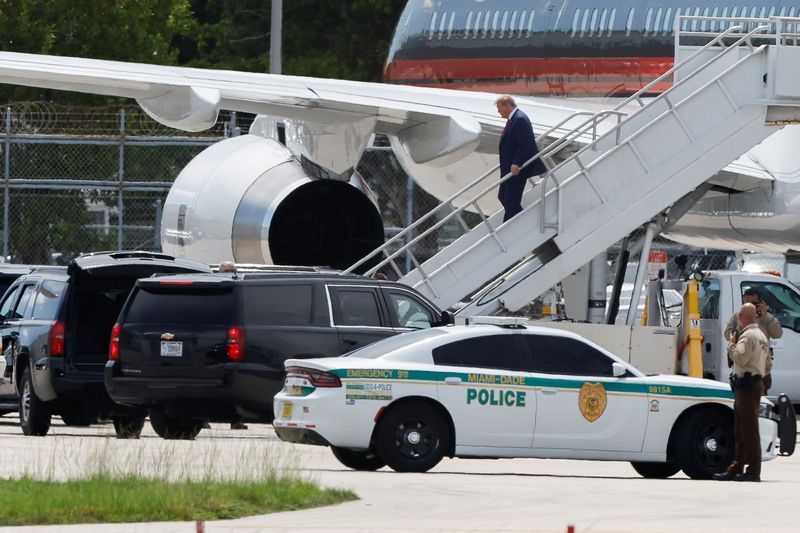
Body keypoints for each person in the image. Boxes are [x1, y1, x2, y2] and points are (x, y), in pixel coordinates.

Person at [715, 303, 769, 482]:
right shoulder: (761, 335)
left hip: (746, 385)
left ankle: (752, 470)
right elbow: (768, 364)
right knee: (742, 428)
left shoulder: (746, 336)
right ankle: (737, 467)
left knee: (747, 429)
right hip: (754, 383)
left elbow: (739, 357)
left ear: (741, 316)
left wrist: (731, 343)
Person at [495, 95, 548, 222]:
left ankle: (509, 228)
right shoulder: (514, 119)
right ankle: (523, 220)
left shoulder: (520, 120)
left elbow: (524, 144)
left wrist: (516, 162)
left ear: (507, 105)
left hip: (517, 169)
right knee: (502, 196)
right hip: (508, 168)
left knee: (510, 199)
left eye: (499, 108)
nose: (498, 112)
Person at [724, 288, 782, 393]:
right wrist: (740, 328)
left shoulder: (767, 318)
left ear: (761, 303)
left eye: (754, 303)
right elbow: (728, 334)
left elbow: (777, 334)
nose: (751, 305)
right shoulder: (738, 317)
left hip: (761, 367)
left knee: (761, 401)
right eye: (747, 302)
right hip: (742, 367)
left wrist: (766, 316)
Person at [217, 261, 248, 429]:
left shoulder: (238, 290)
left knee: (235, 382)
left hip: (233, 342)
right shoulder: (215, 290)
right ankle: (203, 418)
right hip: (215, 342)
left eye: (233, 270)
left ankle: (235, 420)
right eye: (227, 270)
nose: (231, 273)